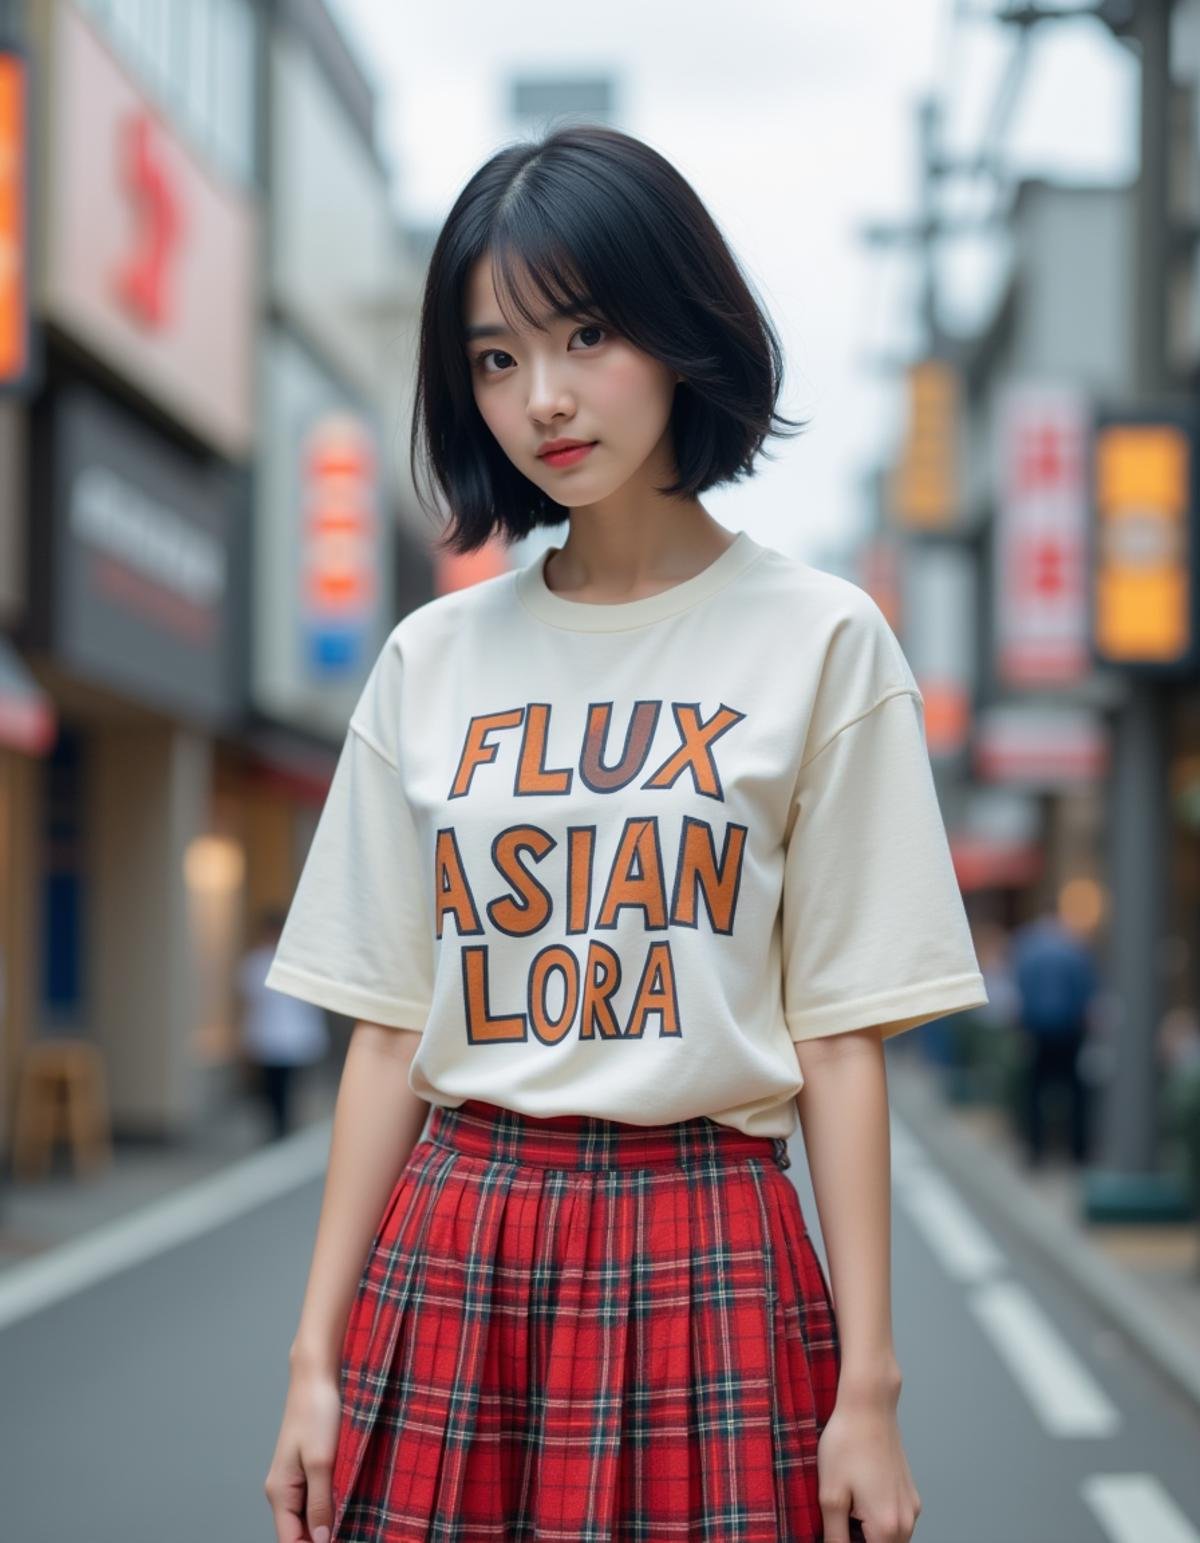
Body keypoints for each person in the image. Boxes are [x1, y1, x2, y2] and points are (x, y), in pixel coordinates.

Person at [262, 123, 988, 1543]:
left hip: (708, 1236)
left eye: (585, 333)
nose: (543, 397)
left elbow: (840, 1035)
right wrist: (312, 1354)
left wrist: (871, 1383)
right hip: (455, 1230)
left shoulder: (823, 640)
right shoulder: (430, 658)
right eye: (493, 357)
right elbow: (387, 1029)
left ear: (677, 325)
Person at [1009, 908, 1098, 1167]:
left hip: (1035, 1029)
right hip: (1069, 1030)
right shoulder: (1073, 948)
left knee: (1035, 1091)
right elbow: (1086, 990)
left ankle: (1036, 1150)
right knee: (1075, 1091)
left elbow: (1018, 987)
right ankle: (1077, 1150)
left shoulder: (1027, 947)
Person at [236, 908, 330, 1141]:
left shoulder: (299, 961)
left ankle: (283, 1125)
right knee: (270, 1085)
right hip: (267, 1035)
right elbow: (249, 1002)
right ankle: (278, 1125)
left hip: (294, 1036)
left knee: (287, 1086)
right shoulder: (256, 962)